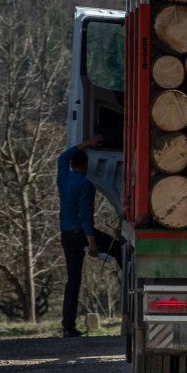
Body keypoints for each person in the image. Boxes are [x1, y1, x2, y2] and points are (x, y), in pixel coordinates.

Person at [57, 135, 122, 337]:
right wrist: (92, 243)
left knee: (73, 280)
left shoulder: (63, 176)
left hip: (66, 235)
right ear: (85, 165)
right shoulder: (85, 184)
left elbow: (63, 156)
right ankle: (129, 300)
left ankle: (68, 326)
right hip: (81, 234)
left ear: (72, 164)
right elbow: (85, 217)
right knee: (117, 249)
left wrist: (86, 144)